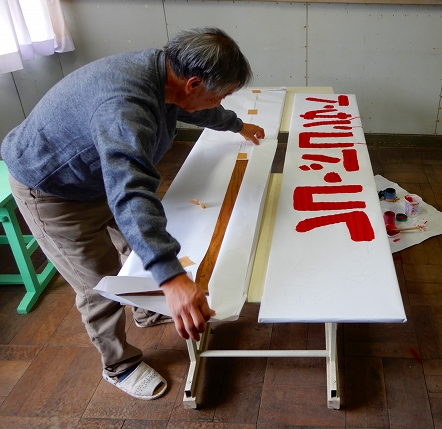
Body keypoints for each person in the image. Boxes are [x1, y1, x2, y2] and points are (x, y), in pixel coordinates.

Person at [0, 27, 265, 400]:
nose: (218, 101)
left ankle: (145, 310)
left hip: (98, 175)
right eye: (218, 95)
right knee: (99, 283)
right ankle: (118, 364)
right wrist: (173, 279)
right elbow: (131, 191)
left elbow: (197, 109)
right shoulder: (126, 105)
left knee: (137, 248)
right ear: (193, 83)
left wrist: (237, 125)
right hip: (52, 189)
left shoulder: (167, 74)